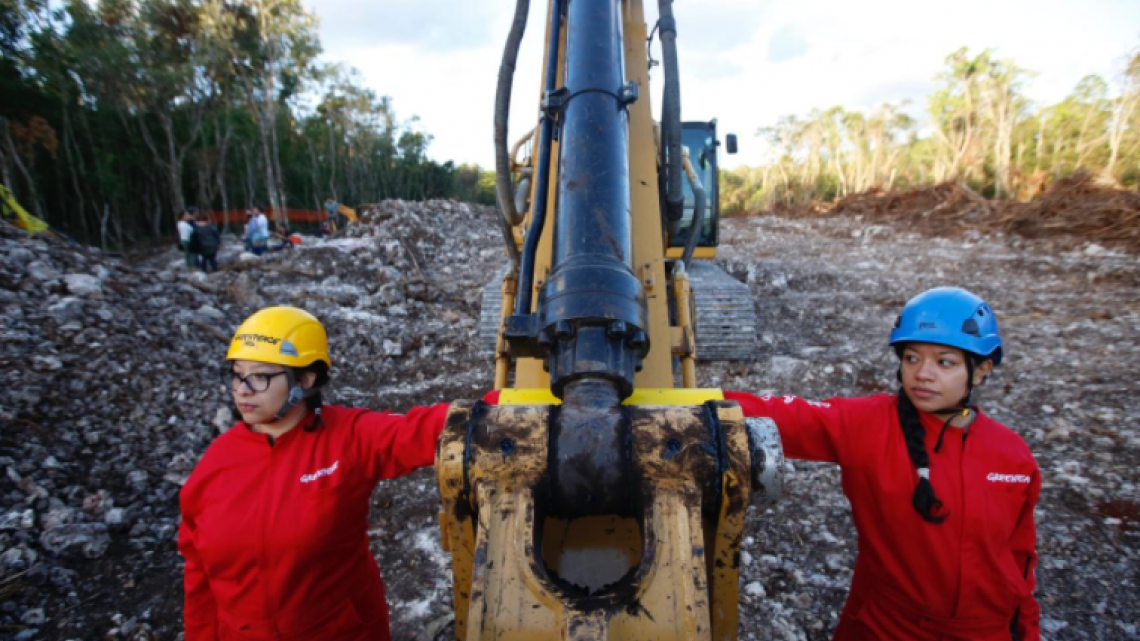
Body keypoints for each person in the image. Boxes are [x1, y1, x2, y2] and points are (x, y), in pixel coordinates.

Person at [726, 287, 1040, 641]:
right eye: (911, 358)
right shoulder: (870, 425)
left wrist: (1026, 629)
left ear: (981, 370)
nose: (923, 373)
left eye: (944, 362)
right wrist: (682, 401)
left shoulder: (1012, 455)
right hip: (887, 626)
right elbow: (787, 414)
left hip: (986, 630)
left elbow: (1020, 557)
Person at [178, 307, 449, 640]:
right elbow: (199, 575)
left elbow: (423, 430)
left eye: (260, 376)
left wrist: (516, 406)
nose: (242, 390)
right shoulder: (217, 462)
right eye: (237, 374)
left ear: (305, 379)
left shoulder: (347, 438)